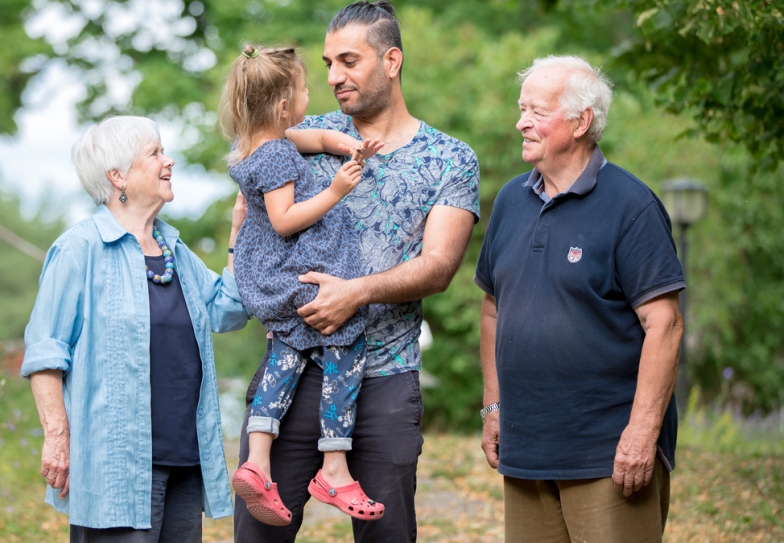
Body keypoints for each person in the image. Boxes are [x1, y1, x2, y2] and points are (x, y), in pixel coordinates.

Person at [232, 2, 481, 542]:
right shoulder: (302, 133)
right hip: (292, 373)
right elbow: (249, 203)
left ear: (391, 60)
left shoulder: (449, 159)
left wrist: (354, 293)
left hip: (385, 380)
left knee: (387, 536)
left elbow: (439, 266)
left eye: (349, 60)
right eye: (326, 63)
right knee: (257, 536)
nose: (332, 77)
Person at [475, 55, 685, 543]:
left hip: (607, 456)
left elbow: (666, 325)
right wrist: (493, 407)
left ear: (581, 121)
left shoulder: (632, 206)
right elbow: (492, 309)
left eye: (536, 111)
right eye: (521, 108)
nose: (520, 122)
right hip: (526, 452)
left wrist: (641, 434)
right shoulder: (509, 201)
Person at [21, 115, 250, 543]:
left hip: (185, 459)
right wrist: (56, 437)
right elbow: (45, 353)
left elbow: (228, 310)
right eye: (156, 153)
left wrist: (239, 231)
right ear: (117, 175)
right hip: (116, 468)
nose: (169, 161)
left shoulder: (175, 251)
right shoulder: (79, 250)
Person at [219, 43, 387, 527]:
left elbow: (308, 139)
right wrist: (336, 190)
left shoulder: (260, 142)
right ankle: (334, 466)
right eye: (302, 89)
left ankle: (258, 462)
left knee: (285, 358)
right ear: (281, 105)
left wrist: (343, 145)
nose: (310, 92)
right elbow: (284, 219)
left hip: (268, 276)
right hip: (294, 275)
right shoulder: (274, 156)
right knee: (345, 342)